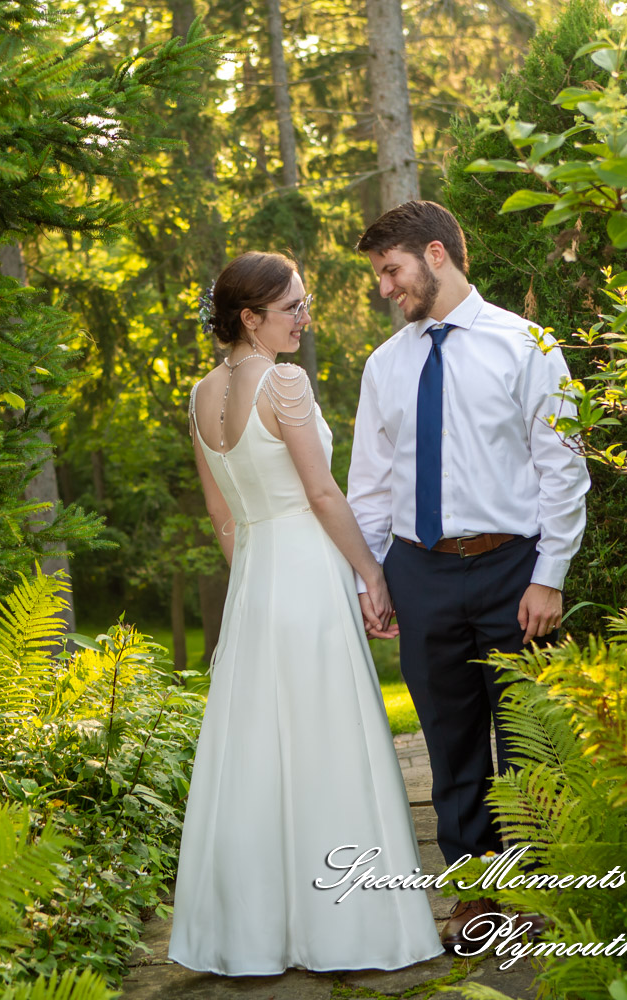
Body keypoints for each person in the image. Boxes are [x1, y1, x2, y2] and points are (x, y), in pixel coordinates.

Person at [167, 251, 444, 975]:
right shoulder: (284, 381)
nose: (304, 317)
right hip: (308, 573)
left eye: (304, 301)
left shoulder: (200, 396)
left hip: (256, 581)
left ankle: (256, 931)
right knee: (327, 741)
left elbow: (222, 515)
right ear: (250, 318)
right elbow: (323, 495)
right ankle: (346, 929)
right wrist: (370, 572)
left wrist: (256, 582)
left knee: (260, 752)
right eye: (292, 307)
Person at [346, 201, 591, 950]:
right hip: (419, 572)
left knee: (526, 739)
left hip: (513, 570)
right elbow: (371, 484)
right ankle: (475, 894)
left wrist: (549, 575)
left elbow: (563, 467)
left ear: (436, 254)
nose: (385, 287)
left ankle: (534, 889)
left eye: (391, 271)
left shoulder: (528, 347)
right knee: (449, 745)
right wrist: (373, 580)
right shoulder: (385, 366)